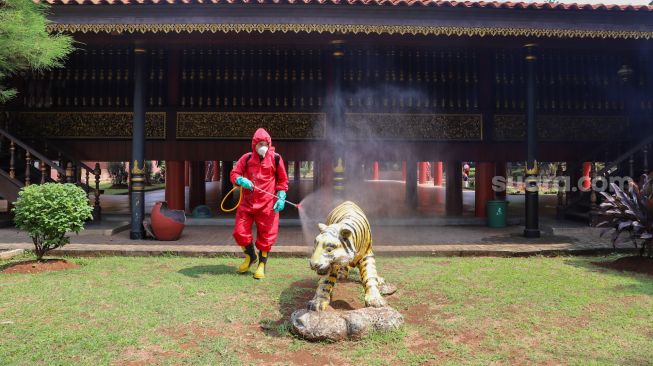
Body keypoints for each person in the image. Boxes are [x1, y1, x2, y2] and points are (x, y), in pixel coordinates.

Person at [230, 128, 289, 279]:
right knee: (239, 232)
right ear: (254, 144)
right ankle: (250, 256)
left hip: (267, 204)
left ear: (269, 144)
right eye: (259, 143)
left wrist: (281, 196)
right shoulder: (247, 158)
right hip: (247, 203)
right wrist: (240, 180)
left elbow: (282, 180)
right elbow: (234, 173)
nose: (262, 146)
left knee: (267, 236)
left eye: (265, 143)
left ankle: (262, 264)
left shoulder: (276, 158)